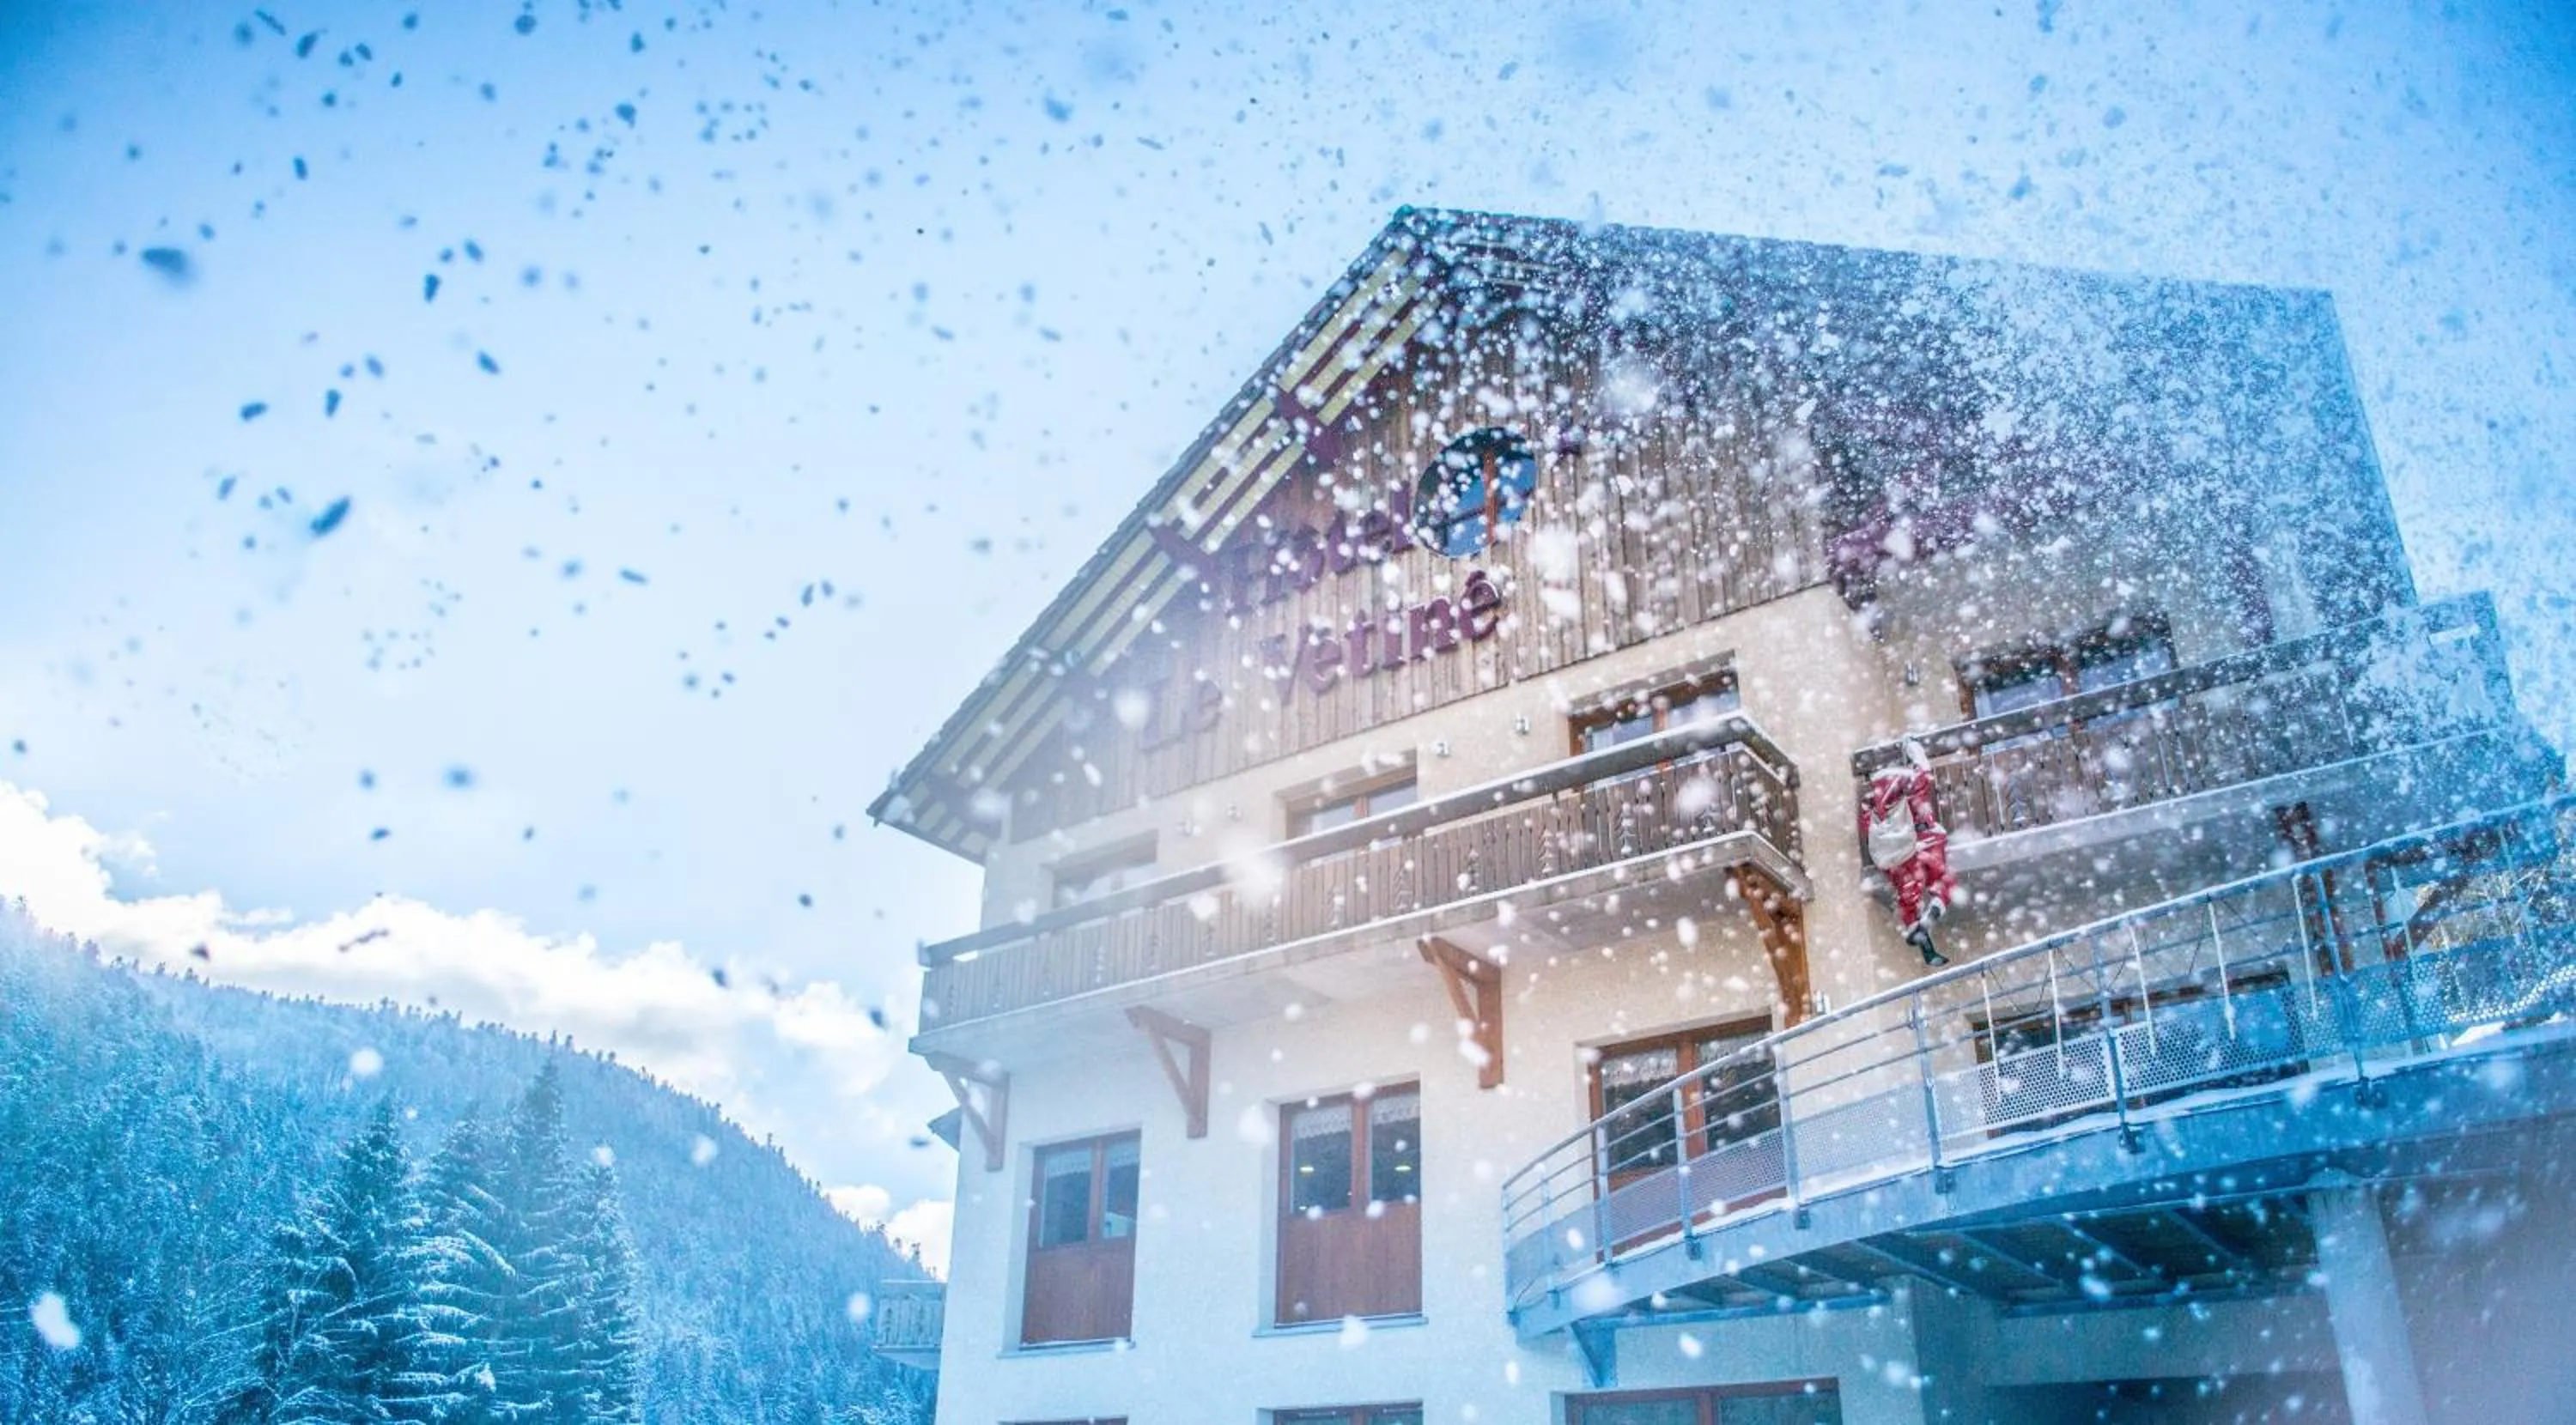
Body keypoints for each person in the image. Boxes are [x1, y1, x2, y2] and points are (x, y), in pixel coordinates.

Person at [1861, 738, 1955, 967]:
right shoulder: (1905, 781)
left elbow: (1866, 827)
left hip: (1894, 856)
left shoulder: (1870, 798)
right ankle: (1930, 915)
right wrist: (1913, 748)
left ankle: (1920, 935)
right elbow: (1924, 772)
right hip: (1922, 842)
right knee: (1942, 883)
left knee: (1908, 897)